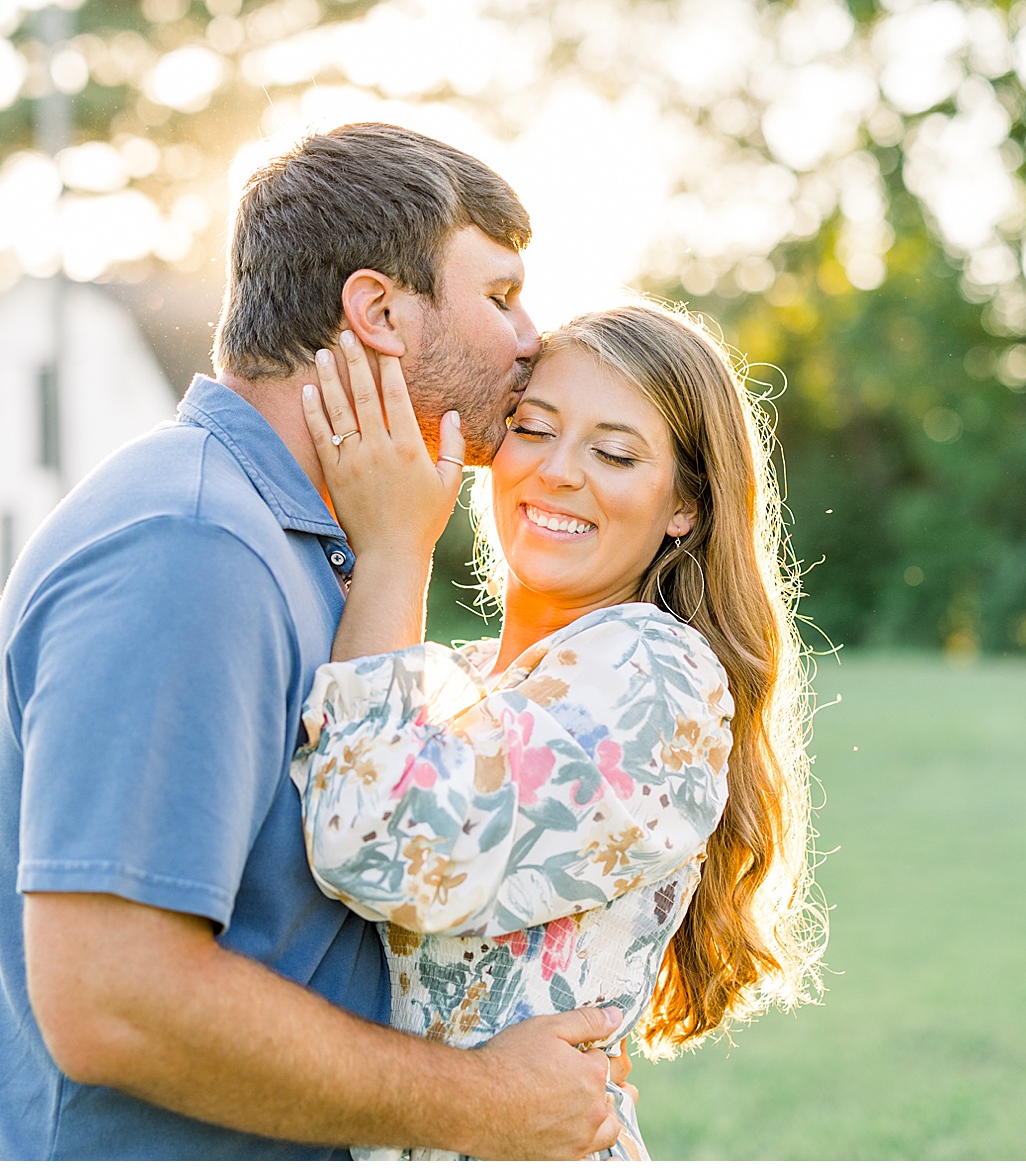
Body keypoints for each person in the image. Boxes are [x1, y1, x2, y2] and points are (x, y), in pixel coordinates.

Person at [0, 122, 630, 1160]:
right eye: (499, 295)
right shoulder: (193, 543)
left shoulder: (310, 544)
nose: (532, 336)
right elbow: (111, 998)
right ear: (379, 311)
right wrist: (487, 1102)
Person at [291, 302, 826, 1159]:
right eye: (533, 429)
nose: (560, 472)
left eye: (615, 452)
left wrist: (394, 547)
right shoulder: (457, 679)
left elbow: (377, 842)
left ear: (683, 504)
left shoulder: (657, 680)